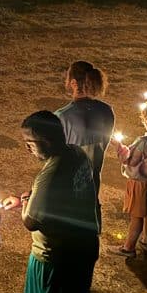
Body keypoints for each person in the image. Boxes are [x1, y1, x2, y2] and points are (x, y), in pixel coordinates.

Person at [0, 112, 98, 293]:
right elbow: (64, 196)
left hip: (56, 253)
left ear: (45, 139)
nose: (26, 147)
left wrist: (26, 209)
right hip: (85, 242)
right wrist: (27, 199)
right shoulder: (77, 155)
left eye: (29, 142)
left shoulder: (50, 172)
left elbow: (32, 222)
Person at [56, 61, 114, 232]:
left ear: (73, 83)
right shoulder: (106, 111)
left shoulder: (62, 116)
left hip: (68, 184)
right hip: (93, 177)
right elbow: (105, 143)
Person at [109, 104, 147, 257]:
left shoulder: (144, 142)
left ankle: (128, 248)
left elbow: (129, 160)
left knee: (136, 216)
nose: (143, 123)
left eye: (144, 120)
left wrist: (119, 147)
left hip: (140, 184)